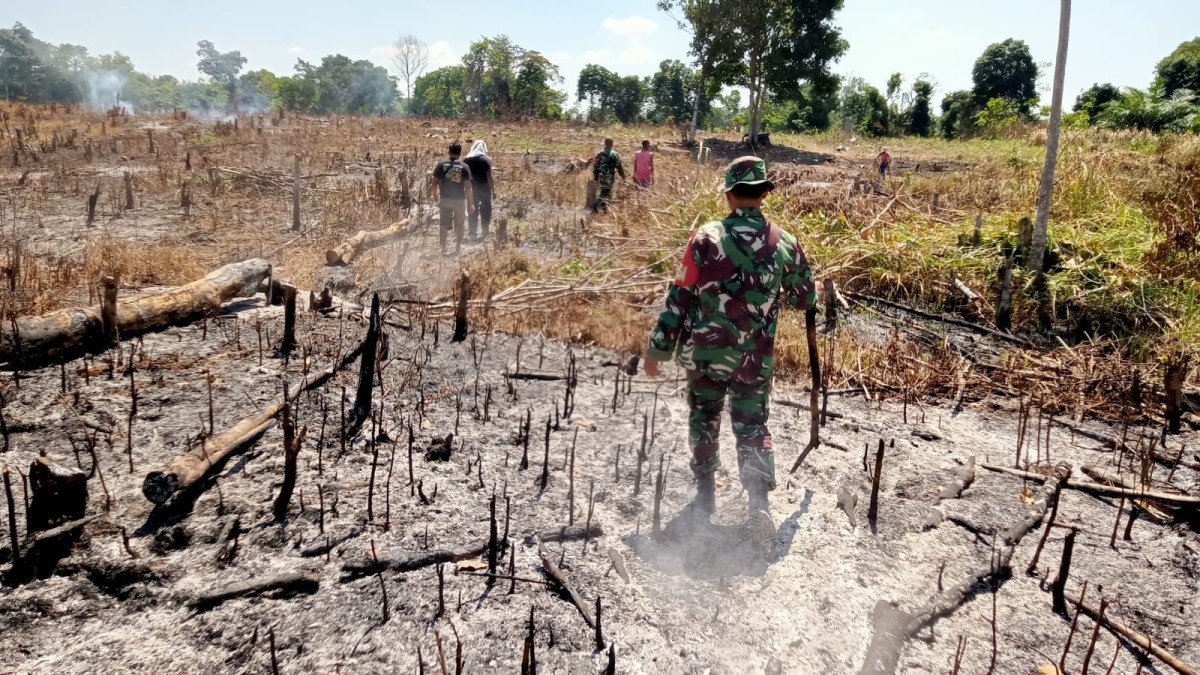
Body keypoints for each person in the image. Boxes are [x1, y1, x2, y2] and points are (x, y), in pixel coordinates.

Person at [642, 156, 817, 548]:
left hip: (705, 357)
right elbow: (805, 298)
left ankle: (705, 494)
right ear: (764, 194)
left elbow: (679, 296)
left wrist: (658, 349)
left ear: (729, 195)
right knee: (752, 427)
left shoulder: (705, 238)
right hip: (754, 360)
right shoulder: (784, 242)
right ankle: (758, 502)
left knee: (704, 419)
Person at [430, 142, 474, 255]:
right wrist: (471, 203)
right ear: (460, 153)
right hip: (459, 200)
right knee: (460, 224)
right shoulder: (464, 167)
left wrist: (435, 195)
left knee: (443, 224)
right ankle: (457, 248)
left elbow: (434, 182)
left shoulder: (441, 164)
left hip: (445, 199)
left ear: (449, 152)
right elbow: (468, 187)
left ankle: (443, 248)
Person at [463, 139, 494, 241]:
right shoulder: (486, 160)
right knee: (486, 208)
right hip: (484, 188)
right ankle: (485, 229)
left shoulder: (466, 160)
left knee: (472, 208)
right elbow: (489, 177)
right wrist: (493, 189)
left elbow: (464, 177)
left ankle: (473, 232)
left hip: (472, 188)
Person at [592, 138, 625, 212]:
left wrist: (595, 177)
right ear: (612, 144)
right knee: (606, 191)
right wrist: (623, 176)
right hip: (609, 176)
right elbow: (619, 166)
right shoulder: (614, 154)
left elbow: (595, 166)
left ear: (605, 144)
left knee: (604, 190)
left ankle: (604, 209)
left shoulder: (599, 154)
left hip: (601, 176)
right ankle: (597, 203)